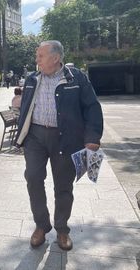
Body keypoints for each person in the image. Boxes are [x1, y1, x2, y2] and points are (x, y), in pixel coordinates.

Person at [15, 40, 103, 251]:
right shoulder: (32, 79)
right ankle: (41, 226)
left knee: (63, 185)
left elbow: (92, 107)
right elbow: (25, 107)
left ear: (56, 58)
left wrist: (92, 137)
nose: (37, 60)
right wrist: (21, 136)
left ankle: (62, 229)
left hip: (65, 138)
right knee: (33, 178)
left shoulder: (76, 78)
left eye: (41, 56)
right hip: (35, 137)